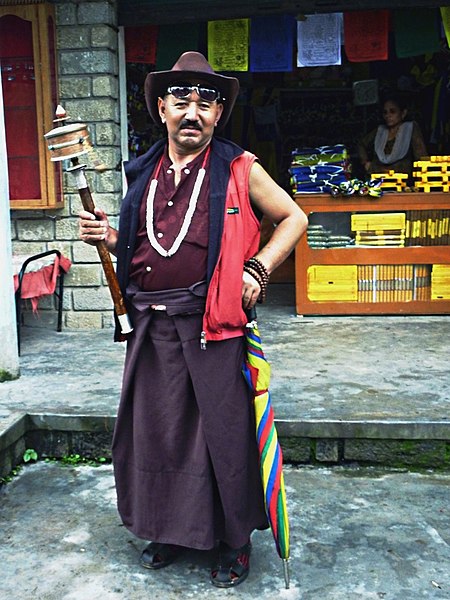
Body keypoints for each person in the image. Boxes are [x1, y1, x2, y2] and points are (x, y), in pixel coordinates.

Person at [79, 51, 307, 588]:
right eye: (181, 98)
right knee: (156, 435)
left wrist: (259, 267)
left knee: (222, 439)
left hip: (213, 328)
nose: (193, 111)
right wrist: (107, 239)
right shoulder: (145, 171)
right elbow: (142, 249)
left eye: (207, 101)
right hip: (152, 330)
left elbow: (295, 218)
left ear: (218, 115)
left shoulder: (238, 167)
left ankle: (233, 542)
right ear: (161, 108)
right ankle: (169, 529)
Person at [358, 94, 427, 180]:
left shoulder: (410, 129)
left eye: (392, 111)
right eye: (385, 112)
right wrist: (365, 163)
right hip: (378, 179)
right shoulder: (380, 131)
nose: (388, 116)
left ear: (403, 113)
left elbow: (421, 157)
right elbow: (361, 144)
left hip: (402, 180)